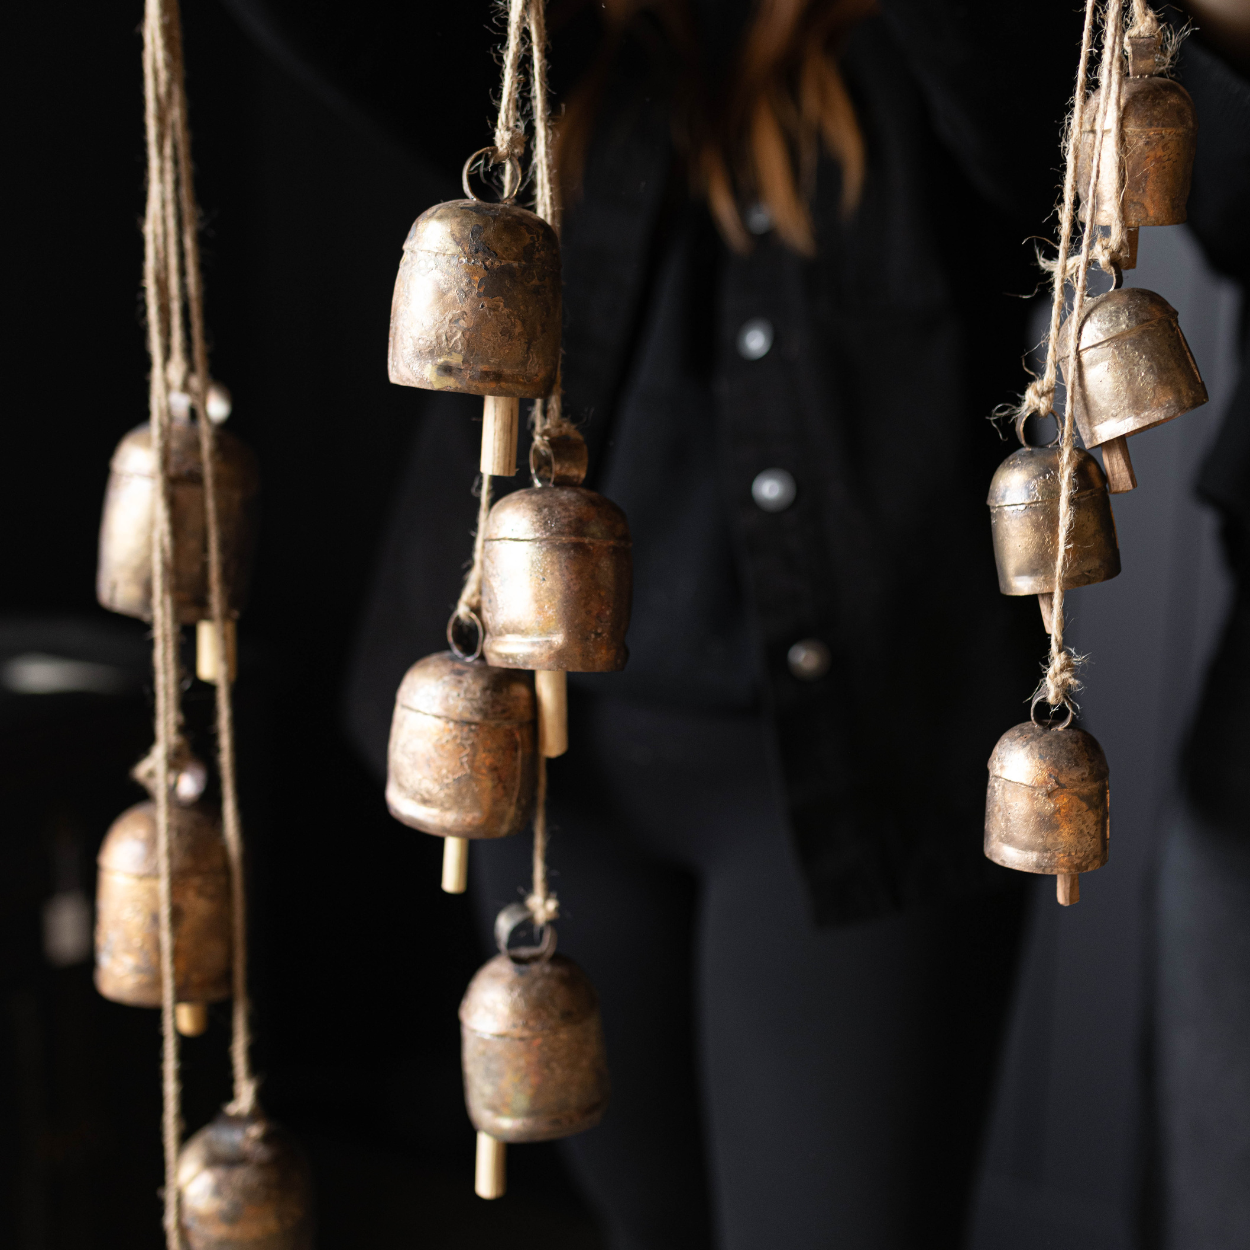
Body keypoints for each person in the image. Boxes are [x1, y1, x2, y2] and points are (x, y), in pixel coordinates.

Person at [284, 1, 1250, 1245]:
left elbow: (1070, 132)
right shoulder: (563, 48)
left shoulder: (941, 56)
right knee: (646, 1218)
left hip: (860, 780)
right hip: (561, 770)